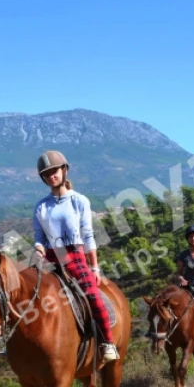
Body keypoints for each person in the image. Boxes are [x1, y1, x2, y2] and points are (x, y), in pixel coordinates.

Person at [32, 150, 119, 365]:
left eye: (54, 171)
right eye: (47, 174)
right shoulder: (41, 206)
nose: (52, 176)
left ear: (64, 170)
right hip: (50, 257)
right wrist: (38, 249)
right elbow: (39, 237)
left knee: (92, 294)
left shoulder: (79, 201)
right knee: (26, 295)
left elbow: (88, 235)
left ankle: (108, 342)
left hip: (74, 255)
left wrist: (95, 267)